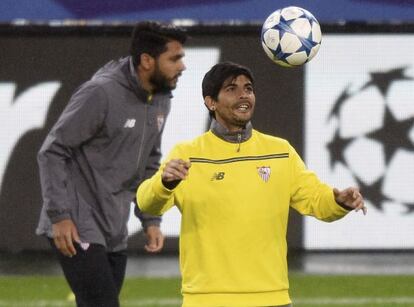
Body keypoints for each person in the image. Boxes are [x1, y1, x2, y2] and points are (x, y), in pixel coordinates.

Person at [136, 62, 367, 307]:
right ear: (210, 102)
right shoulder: (188, 154)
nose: (243, 95)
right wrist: (164, 184)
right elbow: (147, 203)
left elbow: (316, 200)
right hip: (207, 300)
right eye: (232, 89)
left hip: (272, 298)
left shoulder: (280, 151)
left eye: (248, 88)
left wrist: (339, 201)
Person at [36, 21, 187, 307]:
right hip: (78, 222)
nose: (182, 66)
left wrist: (150, 218)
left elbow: (150, 161)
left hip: (113, 226)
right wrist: (60, 216)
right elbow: (52, 151)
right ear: (146, 60)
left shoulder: (160, 99)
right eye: (174, 58)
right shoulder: (101, 93)